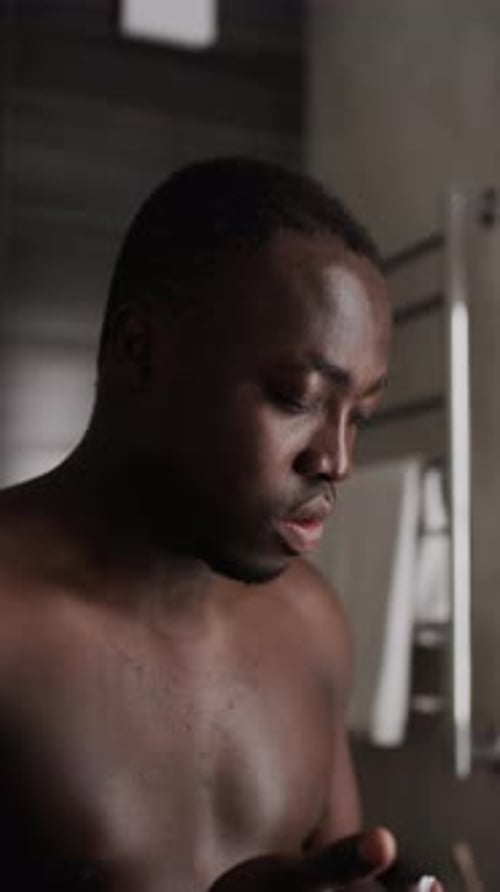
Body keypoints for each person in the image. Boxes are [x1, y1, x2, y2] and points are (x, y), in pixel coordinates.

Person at [0, 158, 440, 891]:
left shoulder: (310, 621)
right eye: (297, 396)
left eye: (359, 415)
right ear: (142, 350)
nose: (336, 460)